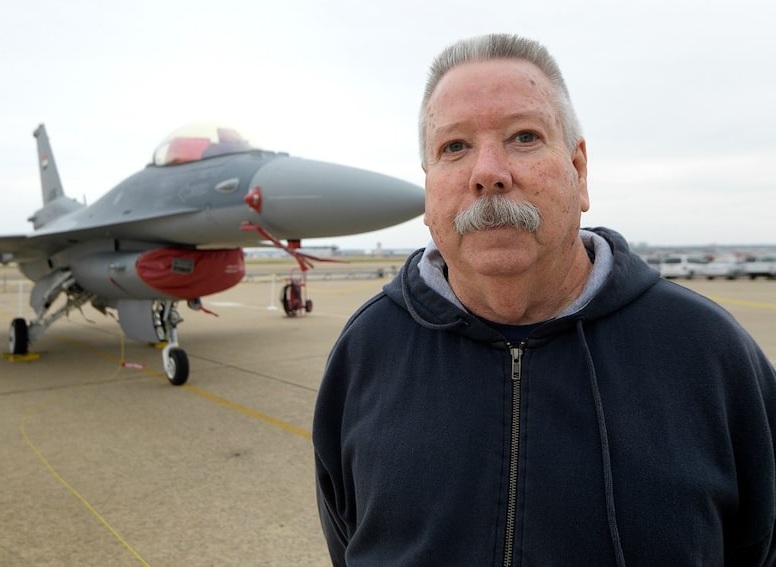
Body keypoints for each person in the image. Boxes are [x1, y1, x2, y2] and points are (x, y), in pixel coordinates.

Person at [312, 33, 776, 566]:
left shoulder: (708, 351)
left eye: (524, 136)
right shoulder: (367, 350)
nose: (487, 173)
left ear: (578, 171)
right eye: (454, 147)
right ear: (429, 188)